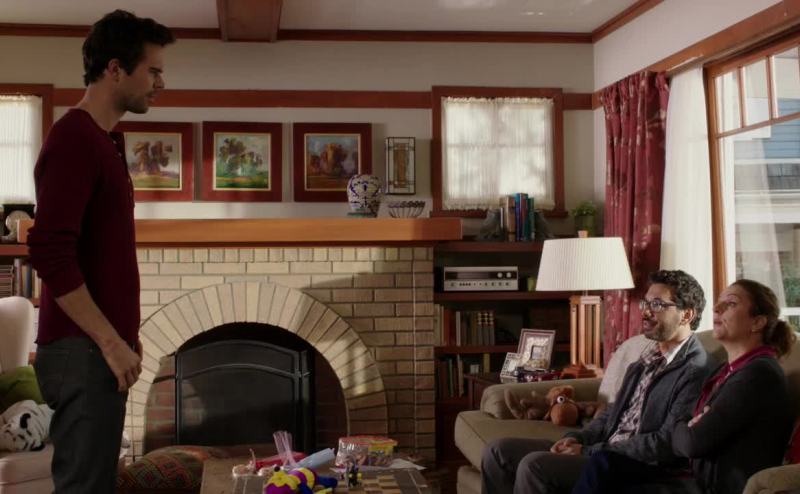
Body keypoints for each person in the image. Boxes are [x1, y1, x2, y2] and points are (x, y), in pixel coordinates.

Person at [26, 10, 174, 492]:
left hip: (98, 348)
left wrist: (123, 334)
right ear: (115, 69)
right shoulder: (74, 139)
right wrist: (111, 341)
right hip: (84, 351)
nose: (161, 83)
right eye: (153, 70)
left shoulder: (104, 142)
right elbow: (50, 253)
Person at [481, 270, 714, 494]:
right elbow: (613, 412)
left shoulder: (694, 370)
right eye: (646, 303)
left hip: (632, 464)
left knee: (535, 466)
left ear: (687, 315)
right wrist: (575, 438)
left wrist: (588, 450)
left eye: (658, 305)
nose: (645, 312)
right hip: (601, 449)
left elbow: (665, 441)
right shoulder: (647, 358)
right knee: (498, 452)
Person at [571, 279, 795, 494]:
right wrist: (689, 424)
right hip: (691, 478)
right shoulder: (726, 371)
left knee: (604, 472)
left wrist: (686, 423)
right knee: (605, 463)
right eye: (718, 302)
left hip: (712, 488)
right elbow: (689, 431)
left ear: (757, 322)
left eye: (731, 303)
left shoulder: (758, 374)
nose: (716, 308)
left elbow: (690, 443)